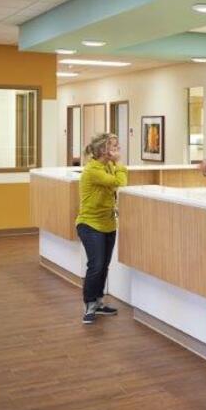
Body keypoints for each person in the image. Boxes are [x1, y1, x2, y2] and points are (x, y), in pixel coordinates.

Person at [75, 132, 127, 325]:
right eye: (113, 146)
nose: (117, 149)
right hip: (89, 224)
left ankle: (98, 301)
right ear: (103, 150)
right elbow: (119, 183)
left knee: (104, 265)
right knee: (95, 265)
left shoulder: (108, 166)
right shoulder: (93, 170)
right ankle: (89, 304)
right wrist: (119, 164)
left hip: (108, 223)